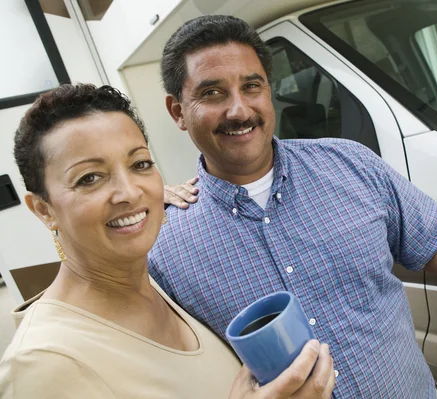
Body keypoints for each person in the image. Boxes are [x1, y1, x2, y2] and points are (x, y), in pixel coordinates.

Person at [149, 15, 437, 398]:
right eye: (212, 93)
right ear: (178, 112)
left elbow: (435, 241)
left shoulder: (349, 162)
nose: (239, 110)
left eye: (251, 86)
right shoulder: (163, 246)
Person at [0, 84, 335, 399]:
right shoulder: (43, 364)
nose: (130, 192)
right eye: (90, 178)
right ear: (44, 210)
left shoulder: (153, 287)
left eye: (140, 164)